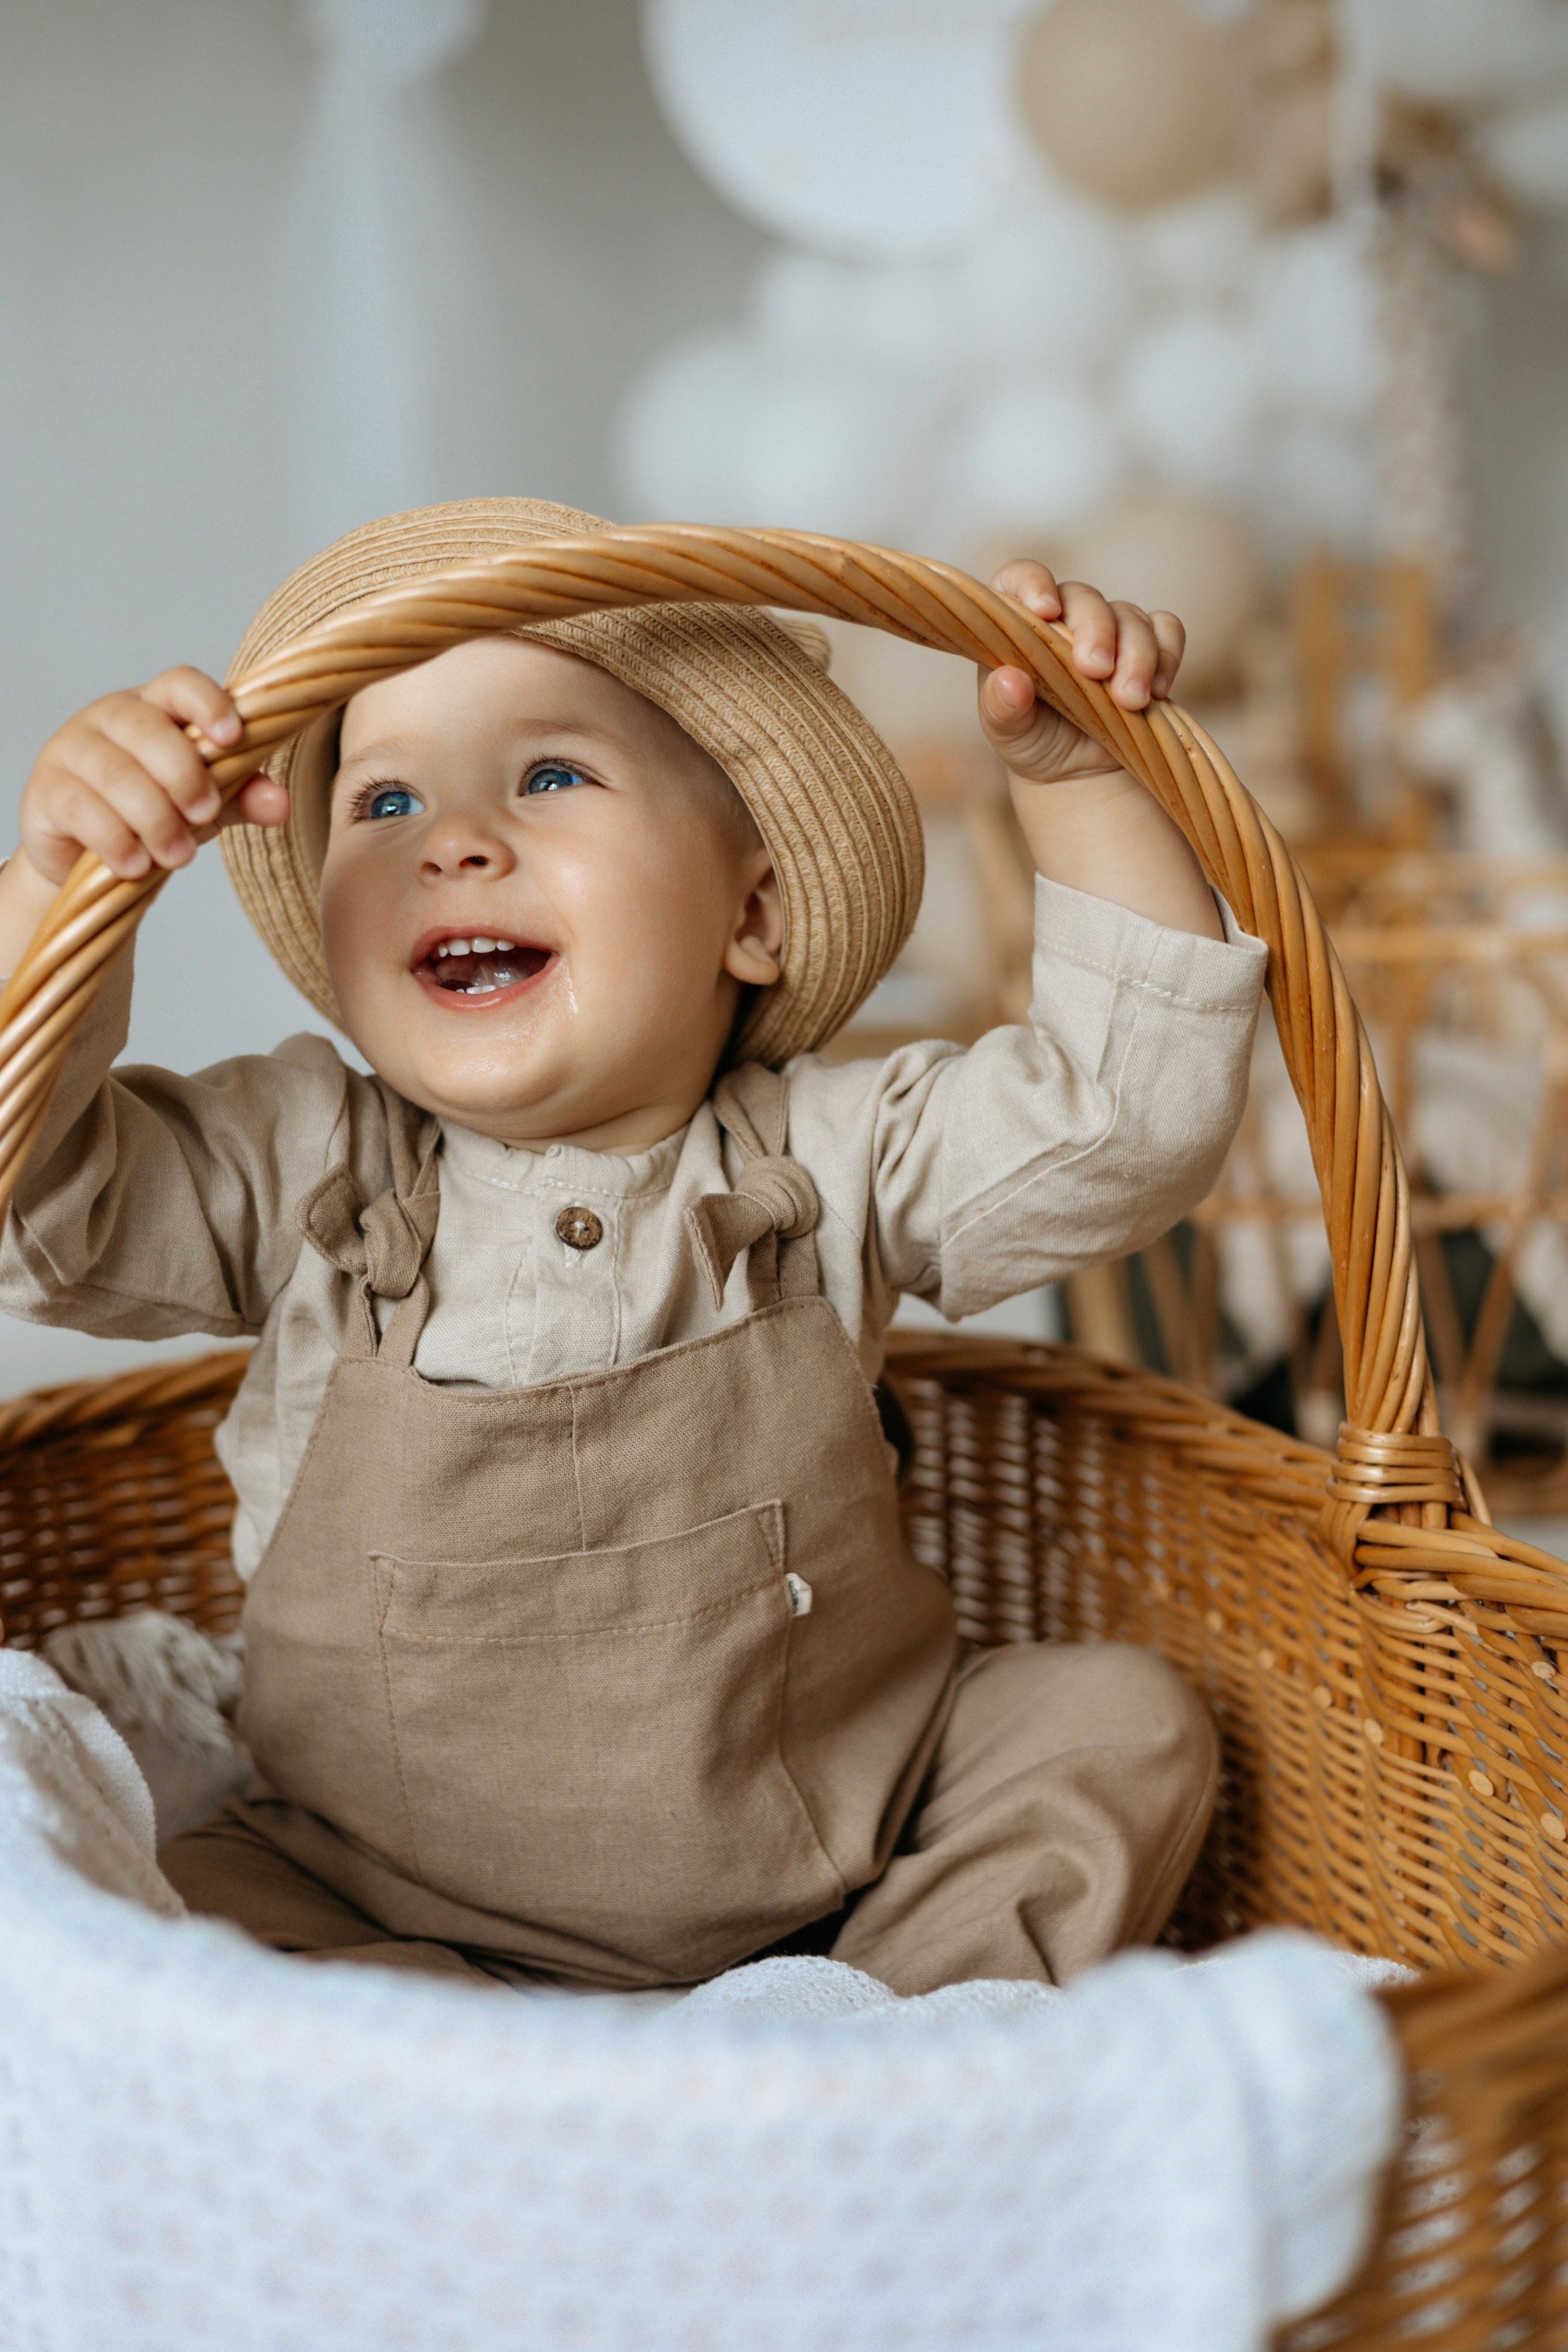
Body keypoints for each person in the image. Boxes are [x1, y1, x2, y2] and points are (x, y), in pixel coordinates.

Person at [0, 499, 1266, 1994]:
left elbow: (1124, 1122)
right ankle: (501, 2090)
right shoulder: (302, 1166)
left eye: (548, 775)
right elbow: (39, 1204)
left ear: (753, 913)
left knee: (1119, 1725)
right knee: (179, 1903)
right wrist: (65, 884)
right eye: (383, 802)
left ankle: (888, 2044)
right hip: (370, 1898)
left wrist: (1083, 777)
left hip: (841, 1873)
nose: (455, 844)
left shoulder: (828, 1157)